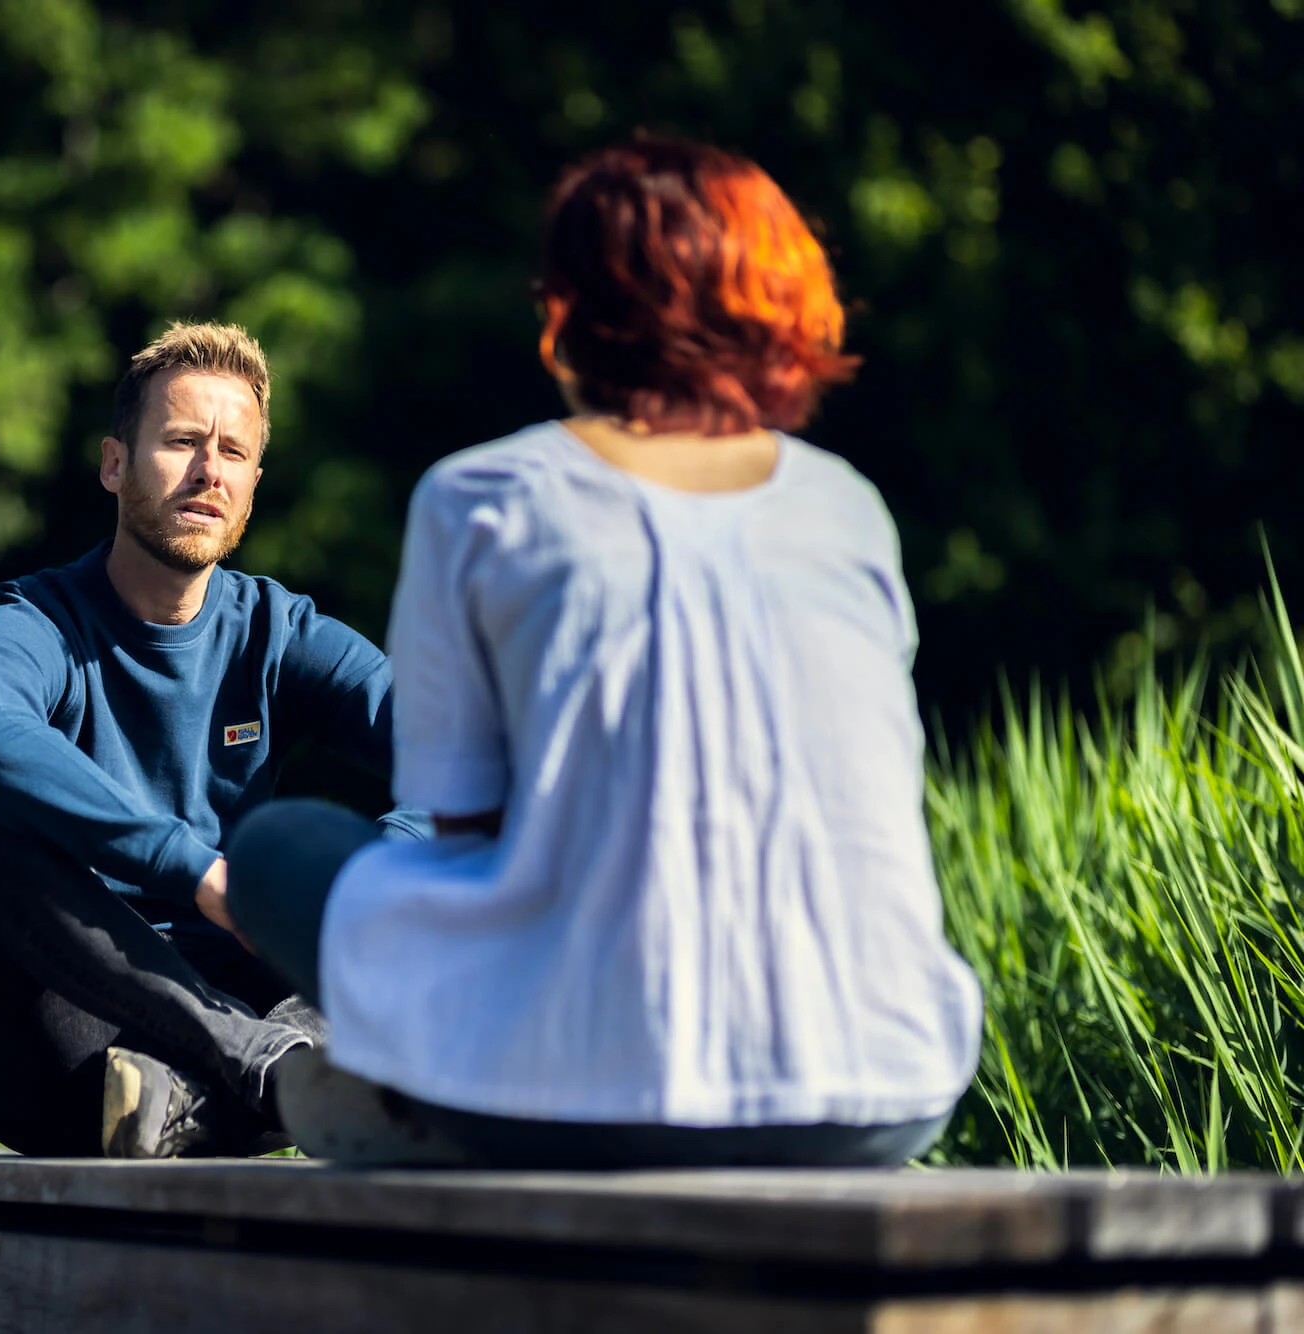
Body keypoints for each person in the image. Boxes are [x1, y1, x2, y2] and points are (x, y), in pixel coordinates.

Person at [224, 134, 985, 1169]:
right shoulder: (844, 507)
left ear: (569, 308)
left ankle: (430, 1093)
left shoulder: (482, 497)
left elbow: (463, 827)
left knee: (274, 849)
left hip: (584, 1093)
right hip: (879, 1088)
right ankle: (429, 1092)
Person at [0, 321, 423, 1160]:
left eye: (233, 453)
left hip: (246, 1010)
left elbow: (464, 766)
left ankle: (214, 1092)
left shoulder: (279, 632)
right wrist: (195, 870)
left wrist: (361, 888)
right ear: (115, 464)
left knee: (446, 845)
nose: (208, 471)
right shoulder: (34, 624)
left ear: (254, 485)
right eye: (184, 441)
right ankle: (269, 1070)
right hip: (67, 1045)